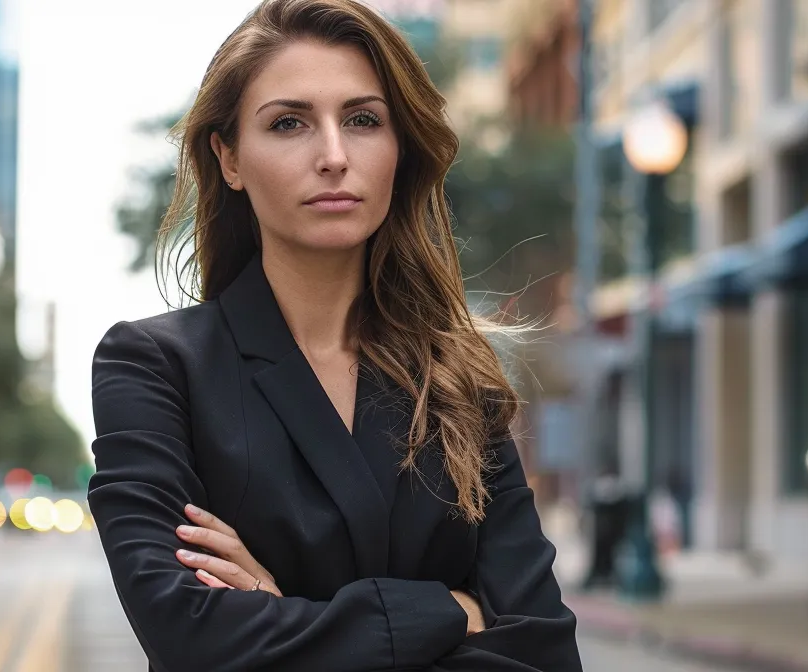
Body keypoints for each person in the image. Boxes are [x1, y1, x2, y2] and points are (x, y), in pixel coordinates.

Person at [86, 1, 582, 670]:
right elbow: (188, 632)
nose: (333, 155)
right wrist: (451, 610)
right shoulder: (155, 368)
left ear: (398, 149)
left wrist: (277, 610)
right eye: (289, 123)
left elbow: (545, 649)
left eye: (363, 120)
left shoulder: (460, 381)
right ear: (229, 156)